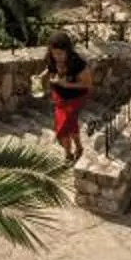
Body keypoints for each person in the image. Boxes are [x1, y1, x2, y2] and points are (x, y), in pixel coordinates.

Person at [44, 34, 93, 163]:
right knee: (70, 124)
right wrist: (42, 76)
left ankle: (68, 154)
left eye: (60, 53)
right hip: (59, 97)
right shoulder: (51, 58)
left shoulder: (77, 63)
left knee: (63, 126)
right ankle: (78, 148)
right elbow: (50, 68)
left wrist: (67, 85)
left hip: (76, 98)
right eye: (54, 53)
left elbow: (88, 84)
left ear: (68, 50)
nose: (57, 57)